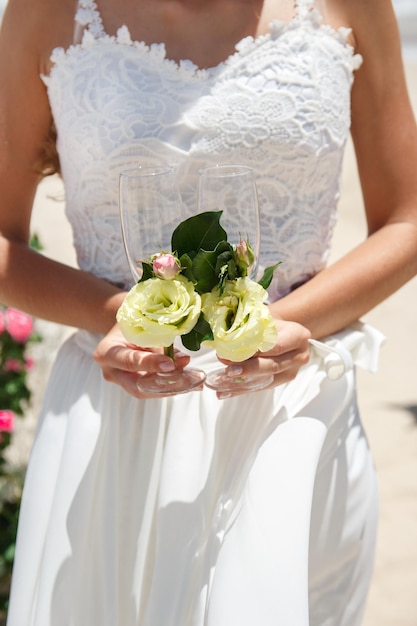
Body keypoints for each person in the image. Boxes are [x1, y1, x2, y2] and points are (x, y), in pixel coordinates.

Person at [1, 0, 416, 624]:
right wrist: (119, 313)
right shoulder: (46, 11)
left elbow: (407, 219)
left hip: (294, 415)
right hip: (118, 413)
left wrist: (278, 324)